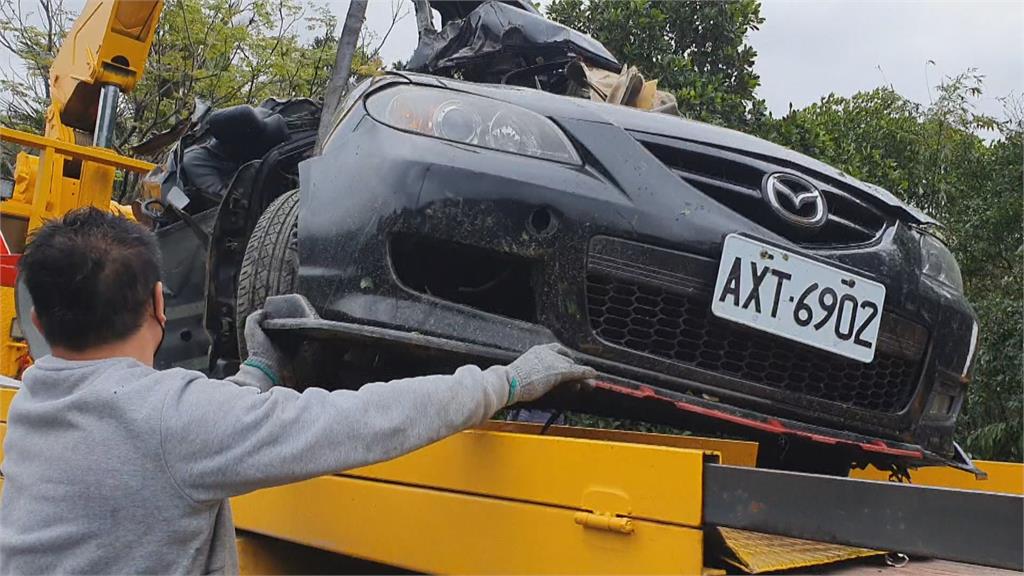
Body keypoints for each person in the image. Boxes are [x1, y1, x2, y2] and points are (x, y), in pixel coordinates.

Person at [0, 207, 595, 575]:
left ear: (41, 324)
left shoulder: (33, 404)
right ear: (159, 303)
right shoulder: (171, 424)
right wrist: (505, 382)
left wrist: (258, 372)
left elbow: (181, 430)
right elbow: (366, 420)